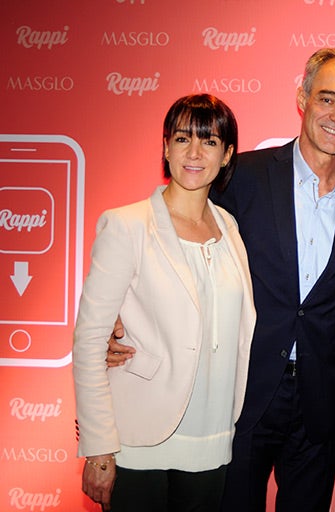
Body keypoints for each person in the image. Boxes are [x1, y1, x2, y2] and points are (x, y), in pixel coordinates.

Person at [110, 48, 335, 511]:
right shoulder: (243, 176)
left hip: (321, 402)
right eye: (327, 98)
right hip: (242, 393)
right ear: (302, 98)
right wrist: (119, 315)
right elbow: (169, 239)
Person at [73, 94, 256, 512]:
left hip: (212, 437)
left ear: (227, 155)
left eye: (209, 142)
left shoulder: (229, 228)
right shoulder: (127, 225)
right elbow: (90, 341)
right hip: (139, 438)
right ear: (166, 148)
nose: (194, 153)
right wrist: (99, 447)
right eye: (182, 138)